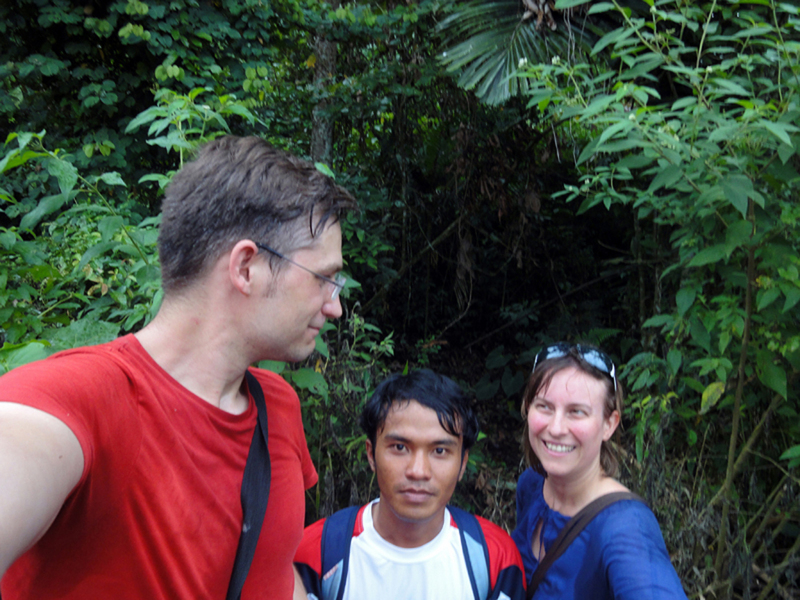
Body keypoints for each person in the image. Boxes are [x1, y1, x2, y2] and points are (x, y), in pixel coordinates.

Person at [0, 135, 357, 599]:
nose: (336, 307)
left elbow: (271, 573)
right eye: (324, 278)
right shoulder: (73, 399)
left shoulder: (279, 408)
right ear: (246, 267)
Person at [294, 369, 526, 600]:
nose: (418, 471)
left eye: (439, 451)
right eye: (399, 447)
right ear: (371, 454)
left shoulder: (494, 558)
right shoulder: (316, 554)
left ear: (463, 464)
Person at [511, 343, 688, 599]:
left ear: (609, 424)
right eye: (544, 406)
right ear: (528, 409)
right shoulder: (531, 484)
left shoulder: (625, 526)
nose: (557, 427)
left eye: (577, 412)